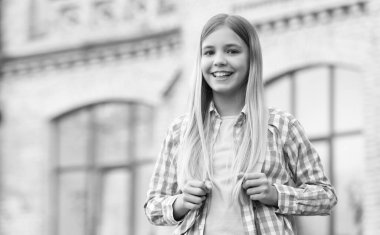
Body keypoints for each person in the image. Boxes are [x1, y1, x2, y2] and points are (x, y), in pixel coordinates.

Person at [144, 13, 337, 235]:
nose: (219, 60)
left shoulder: (281, 126)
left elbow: (325, 197)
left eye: (232, 51)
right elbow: (153, 207)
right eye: (209, 52)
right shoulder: (181, 131)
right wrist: (181, 202)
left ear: (251, 58)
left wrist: (275, 195)